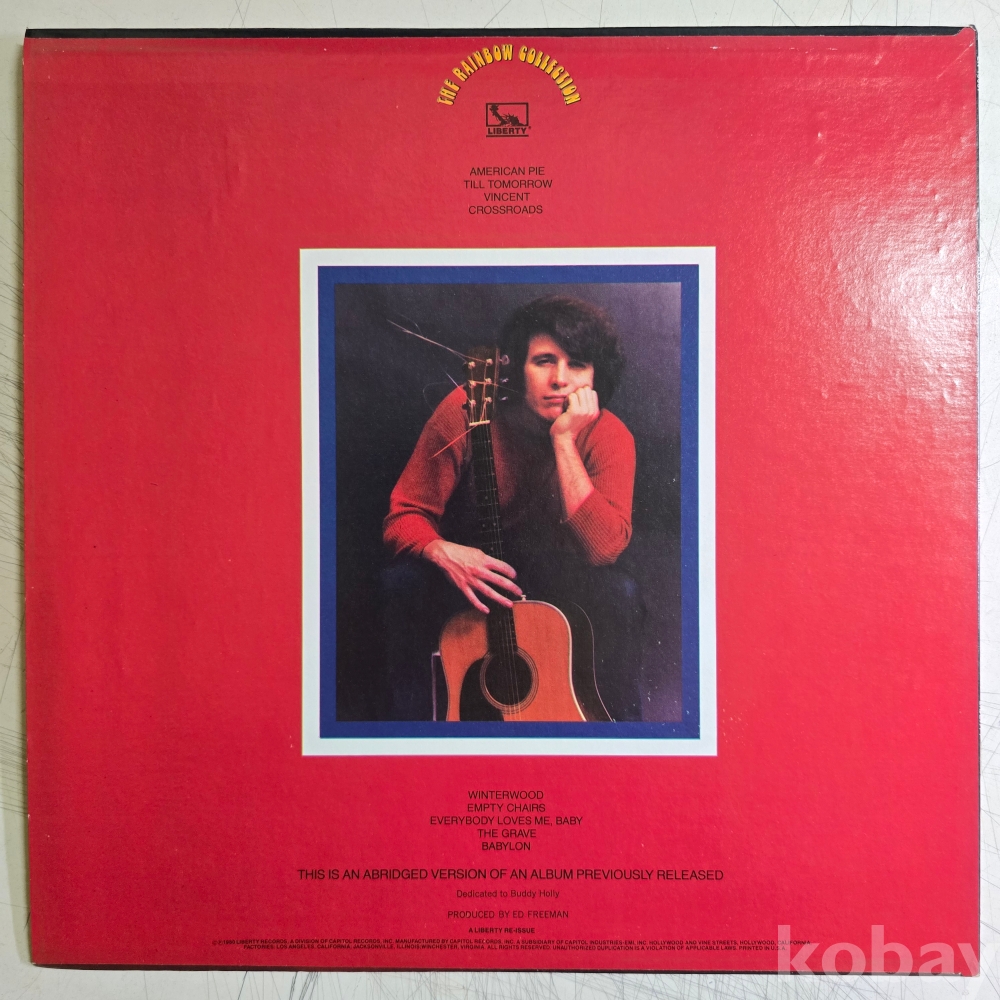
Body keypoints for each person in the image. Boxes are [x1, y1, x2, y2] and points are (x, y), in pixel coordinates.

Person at [381, 295, 644, 721]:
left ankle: (620, 742)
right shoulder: (469, 409)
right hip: (474, 570)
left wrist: (564, 441)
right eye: (544, 361)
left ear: (596, 376)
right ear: (518, 367)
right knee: (400, 585)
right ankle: (411, 740)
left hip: (556, 575)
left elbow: (604, 549)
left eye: (577, 364)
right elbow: (403, 516)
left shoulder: (609, 435)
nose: (560, 380)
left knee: (619, 594)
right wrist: (443, 552)